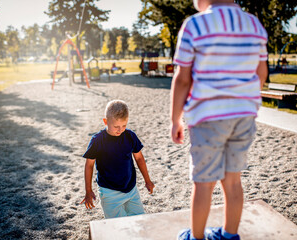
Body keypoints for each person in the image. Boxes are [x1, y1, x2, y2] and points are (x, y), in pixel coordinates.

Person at [170, 0, 268, 239]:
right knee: (233, 180)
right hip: (243, 116)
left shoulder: (195, 25)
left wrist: (176, 119)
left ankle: (197, 236)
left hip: (208, 117)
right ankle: (229, 234)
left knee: (204, 183)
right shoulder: (253, 24)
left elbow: (183, 78)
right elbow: (261, 72)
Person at [81, 100, 155, 219]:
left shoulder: (130, 136)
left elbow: (139, 158)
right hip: (109, 192)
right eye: (116, 126)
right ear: (105, 121)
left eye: (124, 126)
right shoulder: (97, 140)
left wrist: (147, 180)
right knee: (117, 227)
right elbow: (89, 165)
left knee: (140, 221)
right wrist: (88, 190)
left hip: (131, 190)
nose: (120, 130)